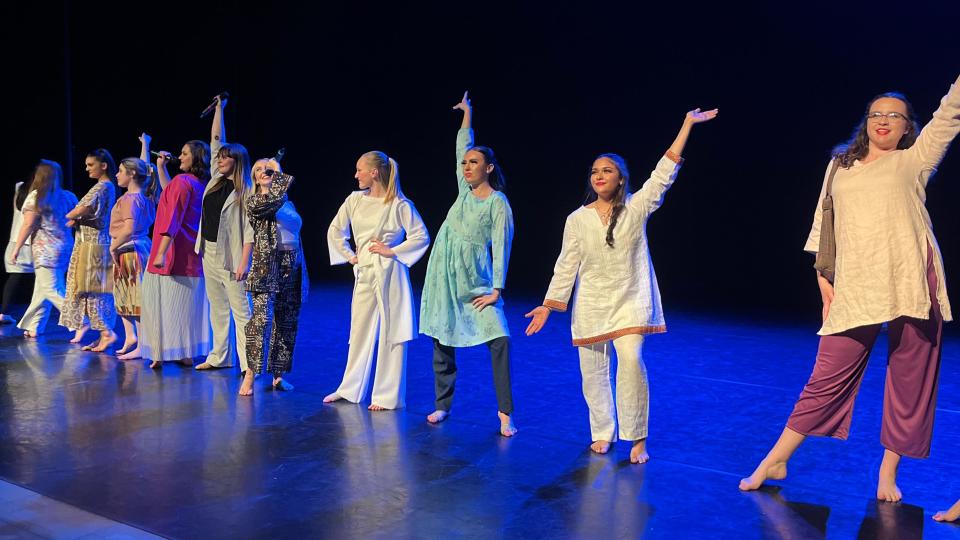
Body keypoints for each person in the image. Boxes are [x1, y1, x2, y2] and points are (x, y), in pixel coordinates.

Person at [740, 74, 960, 502]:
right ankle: (775, 459)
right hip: (857, 282)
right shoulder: (840, 164)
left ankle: (887, 473)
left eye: (894, 116)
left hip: (911, 277)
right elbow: (824, 226)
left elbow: (950, 113)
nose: (883, 121)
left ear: (906, 127)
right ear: (866, 122)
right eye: (876, 113)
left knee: (910, 378)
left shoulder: (915, 158)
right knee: (826, 375)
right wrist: (824, 281)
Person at [524, 108, 717, 463]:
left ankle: (637, 437)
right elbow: (566, 264)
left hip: (631, 299)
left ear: (621, 179)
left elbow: (664, 174)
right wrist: (548, 305)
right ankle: (602, 431)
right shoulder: (577, 219)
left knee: (630, 360)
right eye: (595, 171)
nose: (599, 175)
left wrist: (687, 125)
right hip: (593, 304)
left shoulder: (635, 207)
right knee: (593, 372)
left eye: (607, 170)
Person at [419, 91, 517, 436]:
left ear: (488, 167)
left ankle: (505, 413)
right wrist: (467, 114)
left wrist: (496, 290)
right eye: (465, 164)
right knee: (442, 338)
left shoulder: (497, 202)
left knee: (500, 338)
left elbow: (502, 246)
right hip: (444, 272)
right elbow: (463, 143)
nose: (466, 167)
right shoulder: (463, 191)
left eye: (474, 163)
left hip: (475, 278)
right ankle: (442, 405)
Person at [325, 152, 430, 410]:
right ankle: (350, 388)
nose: (355, 174)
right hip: (364, 272)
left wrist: (393, 251)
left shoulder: (399, 204)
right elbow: (335, 230)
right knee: (360, 329)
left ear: (374, 172)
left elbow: (421, 236)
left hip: (390, 272)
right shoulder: (354, 200)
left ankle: (386, 396)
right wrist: (350, 256)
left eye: (359, 169)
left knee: (392, 331)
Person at [192, 95, 255, 375]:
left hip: (232, 256)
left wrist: (244, 262)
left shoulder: (247, 190)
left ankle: (248, 363)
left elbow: (250, 232)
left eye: (224, 156)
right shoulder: (216, 180)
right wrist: (219, 109)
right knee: (217, 307)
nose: (219, 158)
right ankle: (220, 356)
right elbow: (216, 138)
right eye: (218, 156)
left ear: (237, 160)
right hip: (208, 250)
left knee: (241, 309)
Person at [243, 159, 309, 395]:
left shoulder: (286, 202)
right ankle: (250, 374)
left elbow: (296, 224)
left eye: (269, 169)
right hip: (265, 268)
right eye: (259, 169)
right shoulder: (255, 202)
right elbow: (271, 205)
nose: (264, 172)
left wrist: (278, 178)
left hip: (292, 265)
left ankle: (278, 375)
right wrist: (280, 176)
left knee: (286, 322)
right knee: (260, 322)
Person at [144, 136, 212, 368]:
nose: (180, 156)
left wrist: (161, 253)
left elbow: (172, 218)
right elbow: (169, 192)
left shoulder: (183, 182)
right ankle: (185, 352)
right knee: (186, 306)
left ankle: (159, 352)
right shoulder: (198, 183)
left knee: (163, 304)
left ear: (196, 158)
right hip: (191, 255)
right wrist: (161, 168)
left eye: (184, 153)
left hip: (172, 253)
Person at [60, 149, 118, 351]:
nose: (86, 169)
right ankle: (103, 333)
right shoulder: (106, 187)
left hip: (92, 245)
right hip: (92, 242)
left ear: (103, 166)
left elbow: (82, 209)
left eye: (90, 165)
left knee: (89, 290)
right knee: (90, 290)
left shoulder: (102, 187)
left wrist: (71, 215)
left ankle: (107, 333)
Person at [13, 160, 78, 337]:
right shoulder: (68, 196)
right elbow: (76, 221)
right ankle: (35, 326)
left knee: (52, 289)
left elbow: (28, 225)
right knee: (42, 288)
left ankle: (79, 322)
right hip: (64, 249)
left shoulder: (36, 197)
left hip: (45, 251)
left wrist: (16, 248)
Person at [109, 135, 158, 361]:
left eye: (120, 171)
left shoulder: (130, 199)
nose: (117, 174)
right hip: (137, 248)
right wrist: (145, 146)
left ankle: (144, 344)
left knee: (136, 298)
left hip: (130, 249)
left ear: (130, 175)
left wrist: (113, 247)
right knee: (125, 295)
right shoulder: (145, 194)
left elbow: (128, 229)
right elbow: (145, 169)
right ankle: (131, 336)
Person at [1, 178, 35, 324]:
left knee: (16, 278)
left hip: (14, 241)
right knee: (44, 281)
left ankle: (4, 312)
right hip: (30, 241)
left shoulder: (19, 188)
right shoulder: (38, 194)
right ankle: (34, 318)